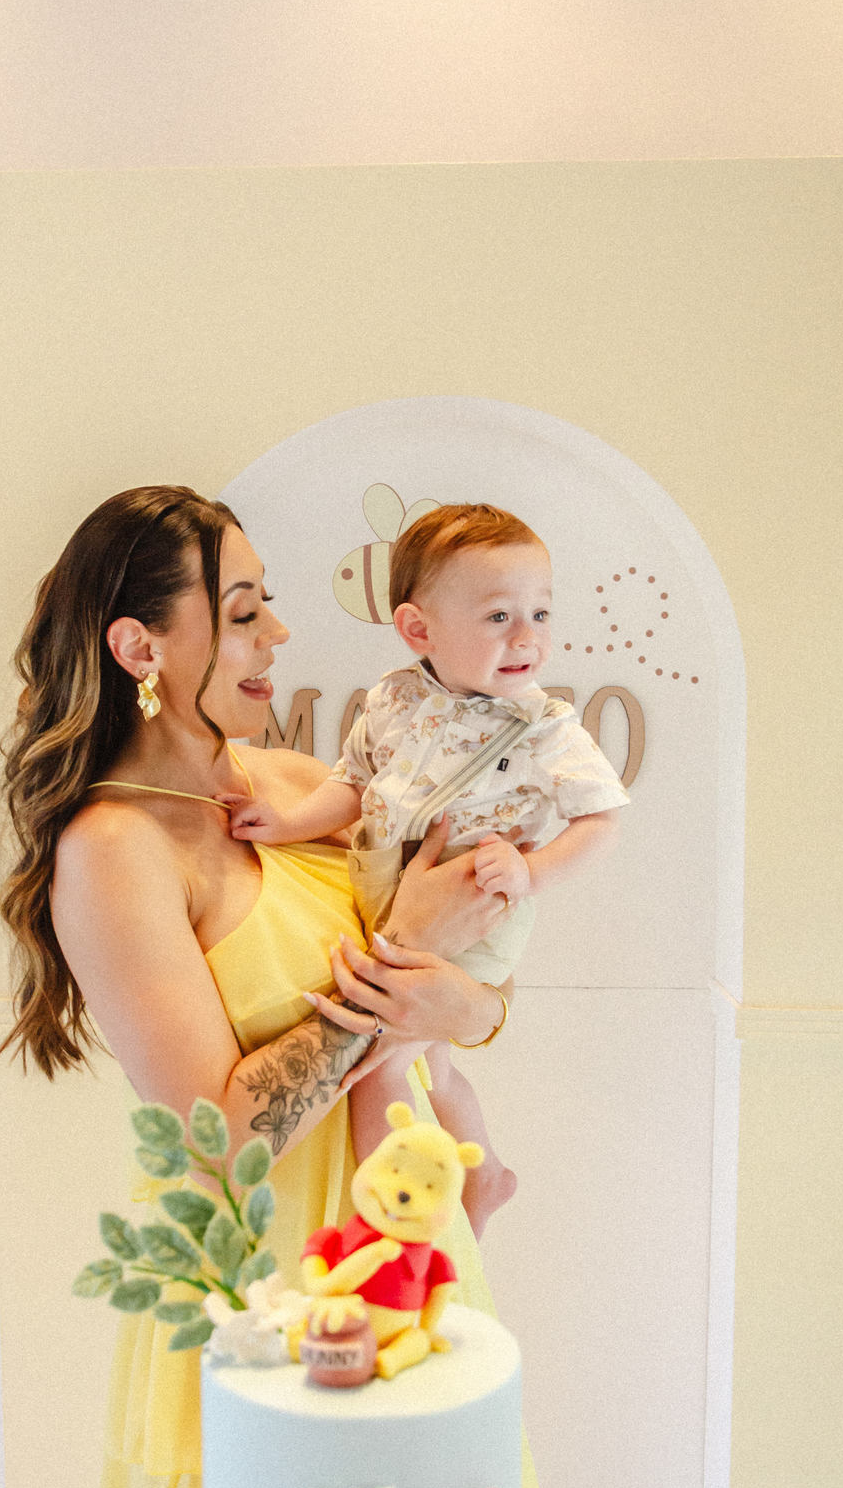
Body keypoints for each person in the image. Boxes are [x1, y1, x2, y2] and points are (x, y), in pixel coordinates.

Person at [0, 485, 555, 1488]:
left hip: (405, 1253)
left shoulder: (291, 785)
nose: (278, 634)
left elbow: (468, 999)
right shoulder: (114, 849)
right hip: (261, 1295)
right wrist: (407, 942)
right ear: (141, 647)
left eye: (270, 605)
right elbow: (225, 1135)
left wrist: (461, 996)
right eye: (242, 611)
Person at [225, 503, 629, 1236]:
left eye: (540, 612)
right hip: (390, 884)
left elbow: (602, 821)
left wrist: (530, 872)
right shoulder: (396, 697)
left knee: (378, 1066)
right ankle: (486, 1171)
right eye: (499, 616)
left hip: (477, 903)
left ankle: (389, 1228)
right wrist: (285, 823)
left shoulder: (544, 727)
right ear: (418, 630)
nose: (527, 637)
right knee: (431, 1066)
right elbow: (352, 784)